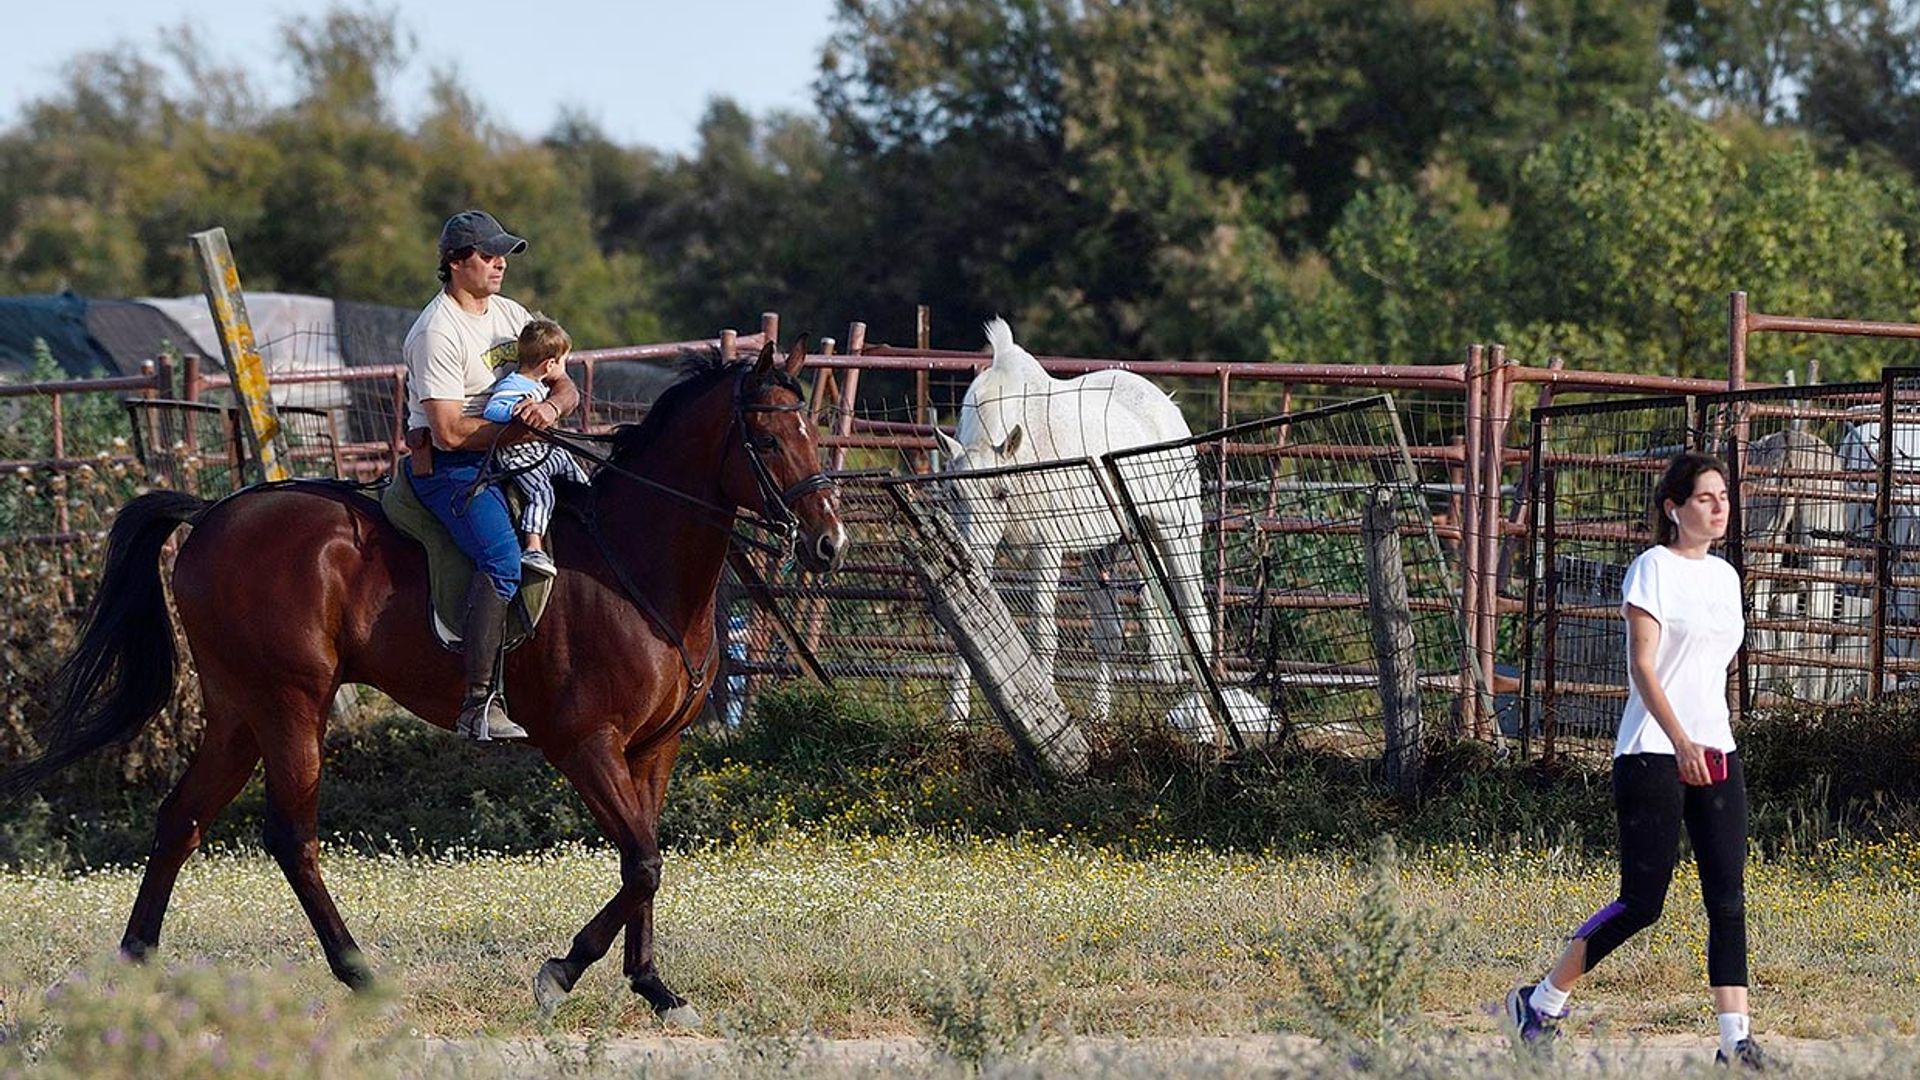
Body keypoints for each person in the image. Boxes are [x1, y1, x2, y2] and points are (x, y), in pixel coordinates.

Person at [1505, 451, 1767, 1070]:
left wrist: (1708, 735)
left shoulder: (1727, 577)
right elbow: (1643, 667)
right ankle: (1540, 1002)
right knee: (1643, 901)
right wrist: (1679, 739)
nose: (1718, 505)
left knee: (1728, 898)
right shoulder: (1652, 568)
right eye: (1704, 497)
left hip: (1716, 749)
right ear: (1674, 509)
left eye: (1723, 495)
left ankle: (1736, 1041)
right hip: (1652, 749)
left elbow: (1716, 666)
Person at [402, 209, 577, 742]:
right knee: (502, 559)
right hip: (453, 469)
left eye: (503, 253)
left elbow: (563, 384)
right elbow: (451, 433)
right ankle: (479, 703)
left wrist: (553, 410)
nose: (500, 263)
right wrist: (520, 434)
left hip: (518, 451)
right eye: (488, 254)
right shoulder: (436, 330)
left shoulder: (512, 313)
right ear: (456, 263)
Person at [481, 315, 590, 578]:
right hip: (519, 455)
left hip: (542, 449)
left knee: (572, 466)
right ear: (549, 364)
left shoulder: (537, 385)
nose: (564, 368)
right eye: (562, 363)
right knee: (542, 493)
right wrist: (515, 411)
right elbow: (492, 409)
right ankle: (533, 546)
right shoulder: (515, 385)